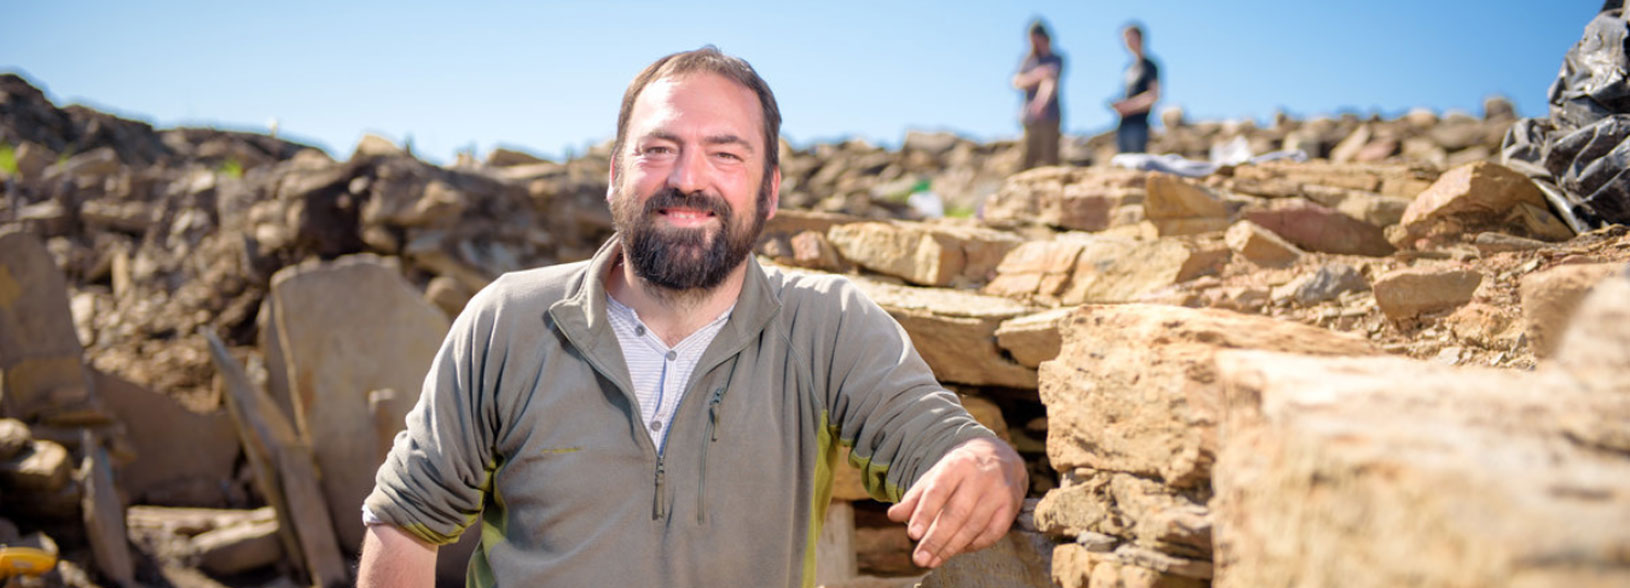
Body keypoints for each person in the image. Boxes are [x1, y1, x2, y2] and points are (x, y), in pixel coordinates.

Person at [356, 46, 1027, 587]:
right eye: (658, 149)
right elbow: (405, 525)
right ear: (615, 174)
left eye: (725, 154)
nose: (688, 178)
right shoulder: (509, 320)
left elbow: (946, 445)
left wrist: (988, 462)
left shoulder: (828, 324)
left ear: (769, 193)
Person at [1013, 19, 1065, 169]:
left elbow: (1050, 82)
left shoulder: (1056, 58)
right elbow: (1017, 81)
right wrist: (1037, 75)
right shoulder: (1028, 60)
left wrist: (1041, 103)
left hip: (1050, 116)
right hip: (1028, 117)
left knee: (1050, 157)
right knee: (1027, 157)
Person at [1111, 22, 1160, 154]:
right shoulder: (1128, 68)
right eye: (1125, 39)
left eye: (1130, 38)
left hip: (1139, 125)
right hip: (1123, 125)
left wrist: (1128, 107)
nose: (1127, 42)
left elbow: (1154, 96)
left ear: (1140, 38)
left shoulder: (1149, 65)